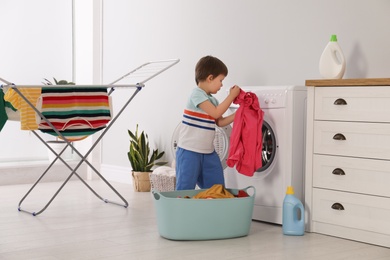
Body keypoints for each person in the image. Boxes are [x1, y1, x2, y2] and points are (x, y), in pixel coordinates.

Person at [176, 55, 241, 190]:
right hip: (189, 151)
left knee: (216, 187)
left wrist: (238, 114)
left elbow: (220, 122)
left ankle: (213, 209)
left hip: (208, 152)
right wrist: (231, 96)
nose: (222, 84)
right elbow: (216, 113)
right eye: (221, 80)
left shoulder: (213, 101)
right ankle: (181, 210)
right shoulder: (196, 94)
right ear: (210, 78)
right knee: (184, 188)